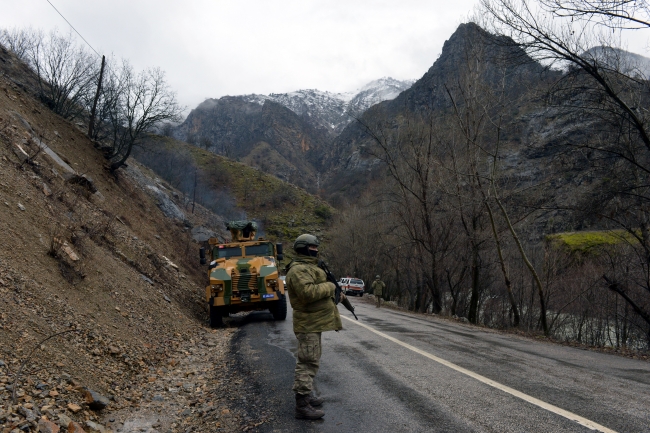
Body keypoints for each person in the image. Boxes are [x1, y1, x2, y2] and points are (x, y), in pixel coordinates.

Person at [285, 234, 343, 420]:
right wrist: (330, 286)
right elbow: (308, 293)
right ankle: (301, 404)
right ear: (303, 248)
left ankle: (307, 395)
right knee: (307, 361)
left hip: (313, 322)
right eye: (312, 247)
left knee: (313, 359)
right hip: (307, 323)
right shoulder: (298, 270)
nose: (316, 250)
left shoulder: (309, 267)